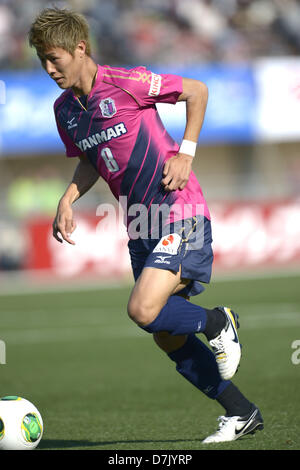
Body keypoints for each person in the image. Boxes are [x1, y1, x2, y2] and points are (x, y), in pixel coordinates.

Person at [29, 7, 263, 443]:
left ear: (81, 49)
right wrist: (68, 197)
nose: (48, 68)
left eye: (54, 58)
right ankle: (241, 412)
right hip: (140, 224)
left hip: (178, 209)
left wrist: (186, 152)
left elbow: (196, 90)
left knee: (142, 309)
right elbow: (90, 158)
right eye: (42, 59)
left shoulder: (126, 82)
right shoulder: (65, 111)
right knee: (163, 333)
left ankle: (217, 323)